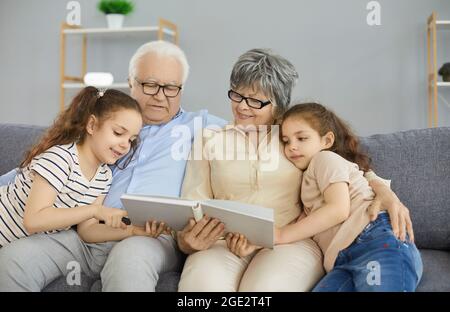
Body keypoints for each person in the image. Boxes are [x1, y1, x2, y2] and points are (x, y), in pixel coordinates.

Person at [177, 49, 415, 291]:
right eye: (236, 95)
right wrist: (187, 242)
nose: (242, 106)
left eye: (255, 100)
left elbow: (348, 167)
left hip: (290, 241)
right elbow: (192, 206)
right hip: (222, 243)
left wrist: (386, 193)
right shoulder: (209, 139)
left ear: (278, 106)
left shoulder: (295, 139)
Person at [0, 41, 226, 291]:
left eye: (171, 87)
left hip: (148, 236)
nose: (161, 96)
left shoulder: (202, 125)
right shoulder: (99, 128)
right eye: (150, 85)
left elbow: (258, 128)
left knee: (128, 262)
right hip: (86, 233)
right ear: (131, 82)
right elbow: (35, 169)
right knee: (15, 259)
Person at [279, 102, 423, 291]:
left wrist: (281, 235)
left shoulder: (325, 159)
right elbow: (308, 222)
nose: (292, 147)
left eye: (302, 138)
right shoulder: (308, 180)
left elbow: (338, 210)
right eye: (286, 141)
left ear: (327, 141)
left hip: (375, 239)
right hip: (342, 259)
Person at [0, 87, 143, 248]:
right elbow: (33, 220)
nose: (125, 145)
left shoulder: (104, 177)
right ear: (91, 125)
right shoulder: (61, 159)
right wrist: (94, 210)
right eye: (118, 133)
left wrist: (131, 231)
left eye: (131, 139)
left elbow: (87, 230)